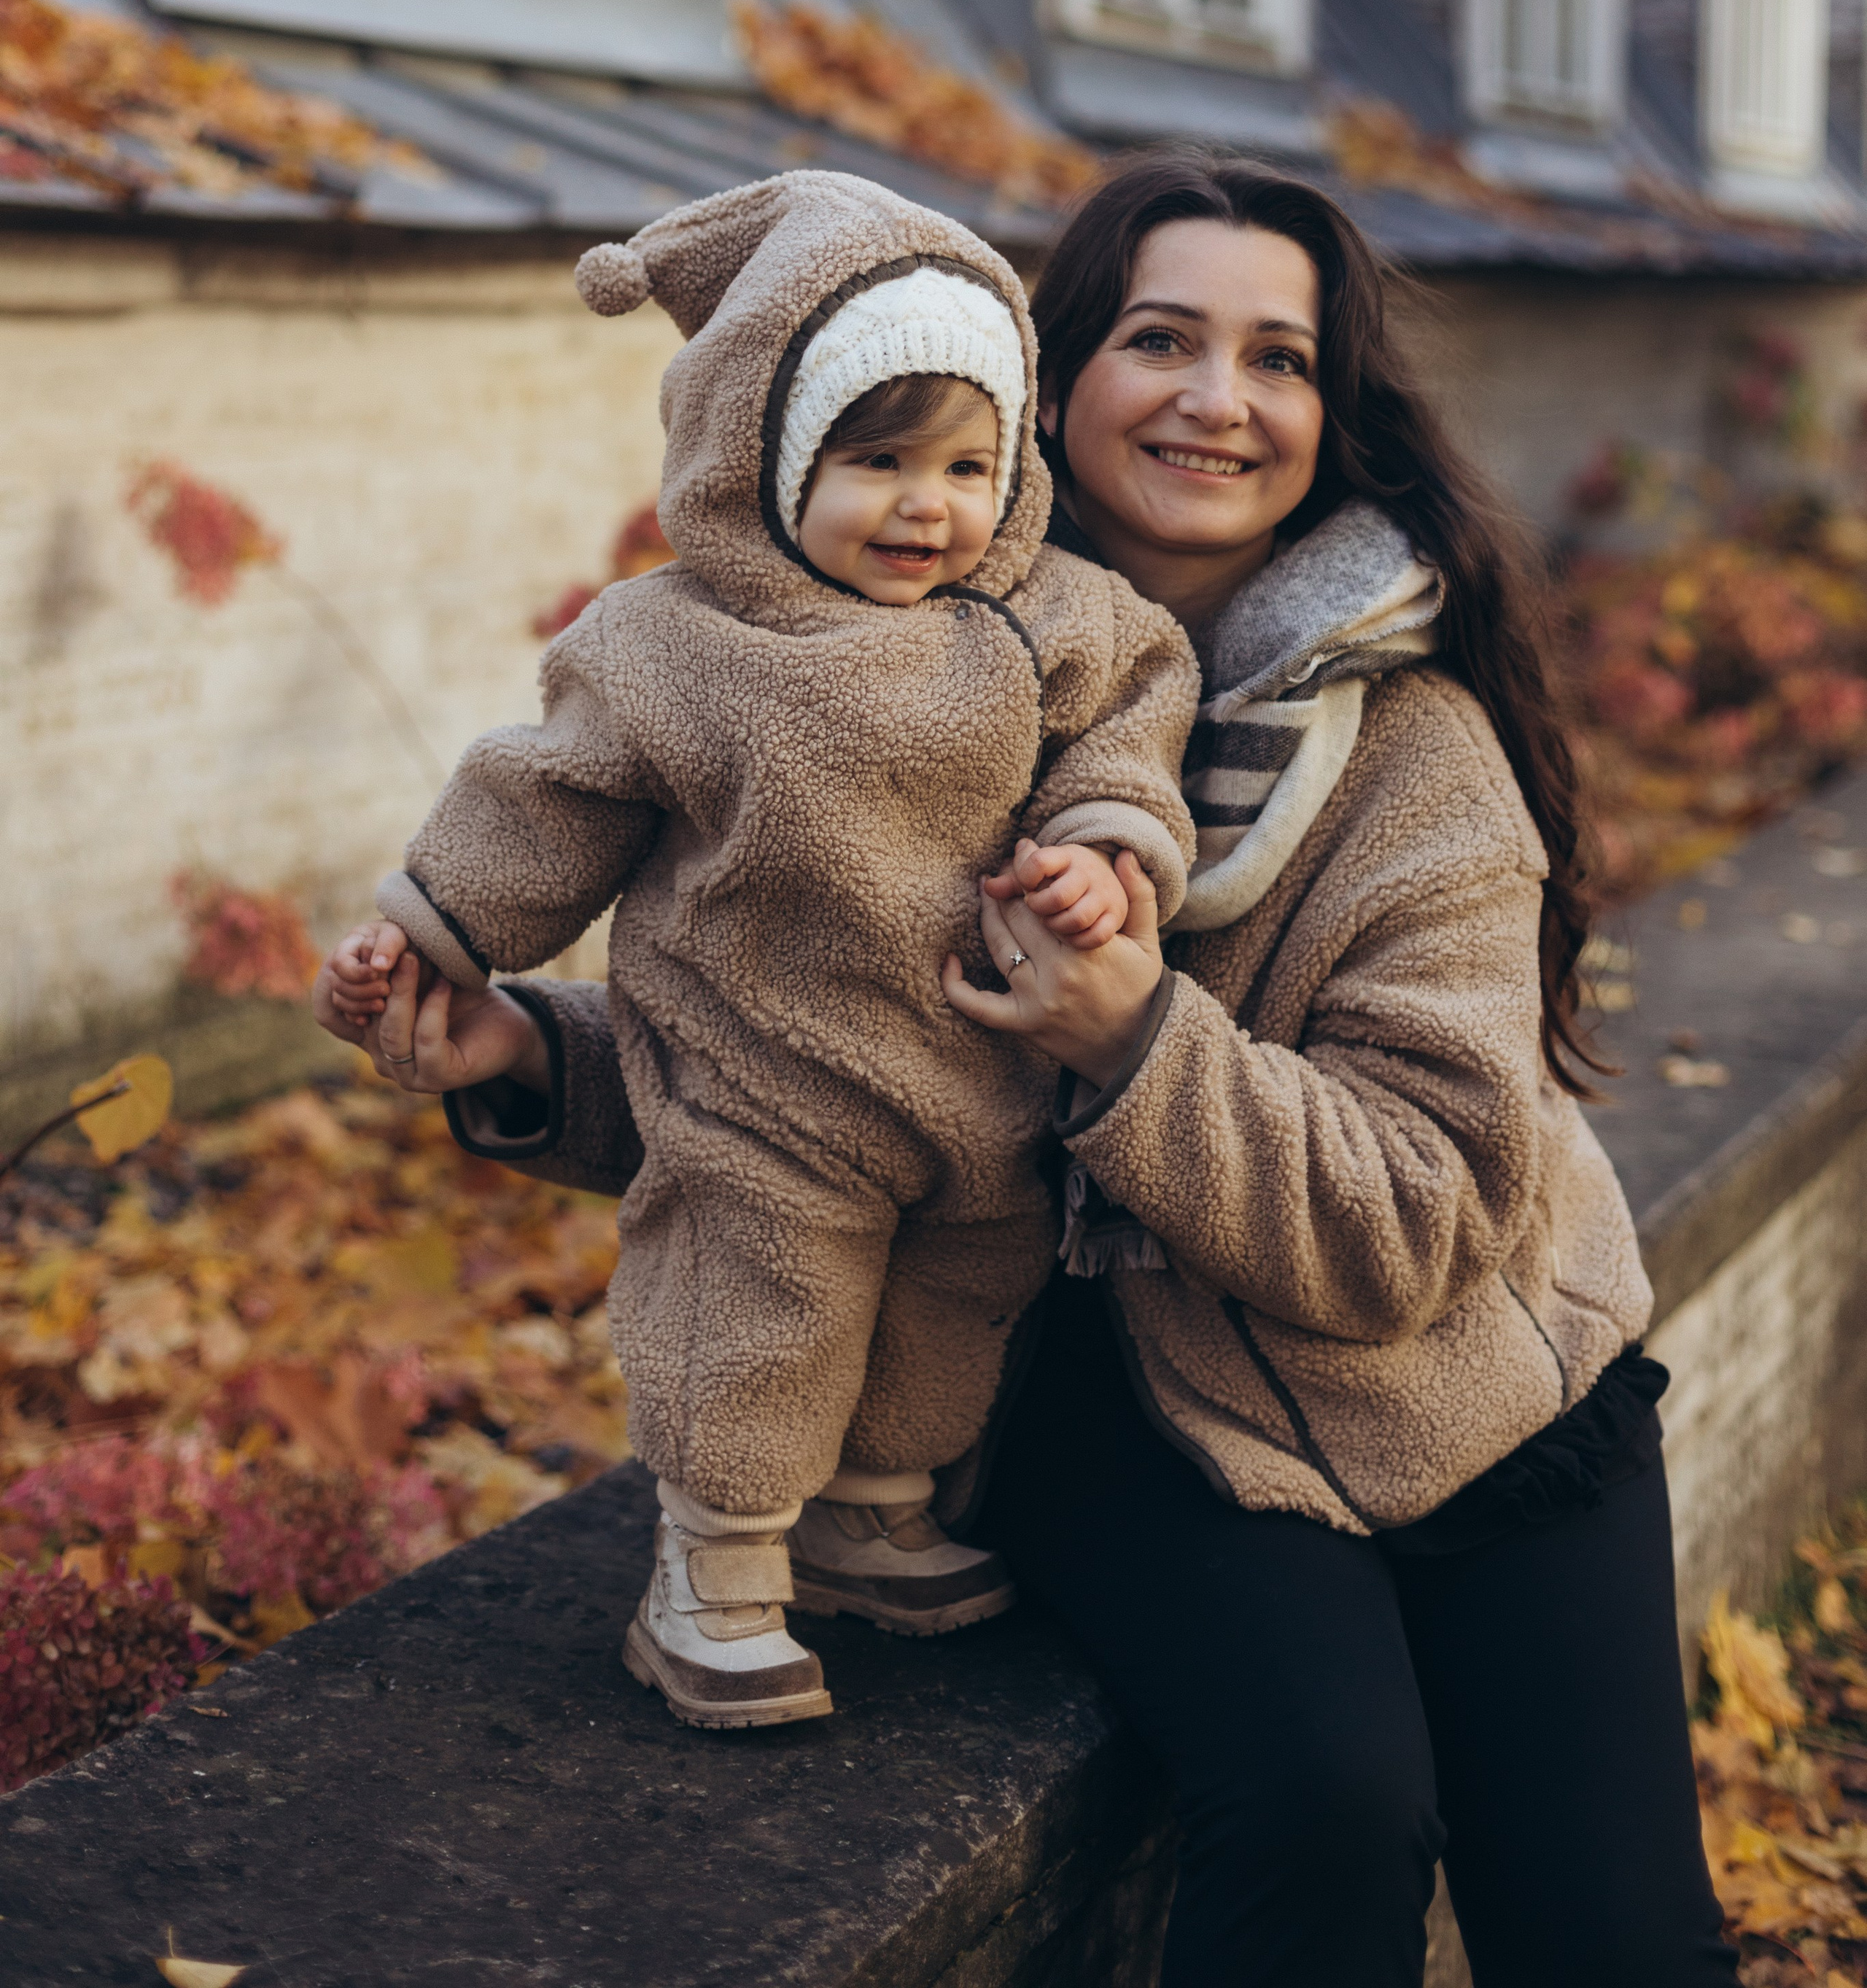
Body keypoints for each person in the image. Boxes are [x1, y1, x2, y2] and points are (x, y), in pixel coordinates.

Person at [317, 152, 1737, 1987]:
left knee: (1613, 1947)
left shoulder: (1411, 763)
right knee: (1321, 1801)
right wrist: (513, 1053)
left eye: (1279, 358)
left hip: (1475, 1384)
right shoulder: (855, 658)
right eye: (1162, 338)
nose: (1219, 400)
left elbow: (1418, 1224)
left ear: (1331, 412)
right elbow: (808, 1092)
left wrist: (1129, 1039)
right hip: (1107, 1389)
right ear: (1045, 377)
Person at [322, 168, 1198, 1734]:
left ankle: (870, 1512)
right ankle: (711, 1567)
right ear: (764, 454)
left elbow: (1131, 720)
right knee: (756, 1314)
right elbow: (547, 799)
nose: (927, 507)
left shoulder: (1044, 618)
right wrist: (433, 937)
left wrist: (1104, 849)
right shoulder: (676, 645)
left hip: (974, 1086)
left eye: (967, 466)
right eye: (874, 463)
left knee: (950, 1306)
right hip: (759, 1080)